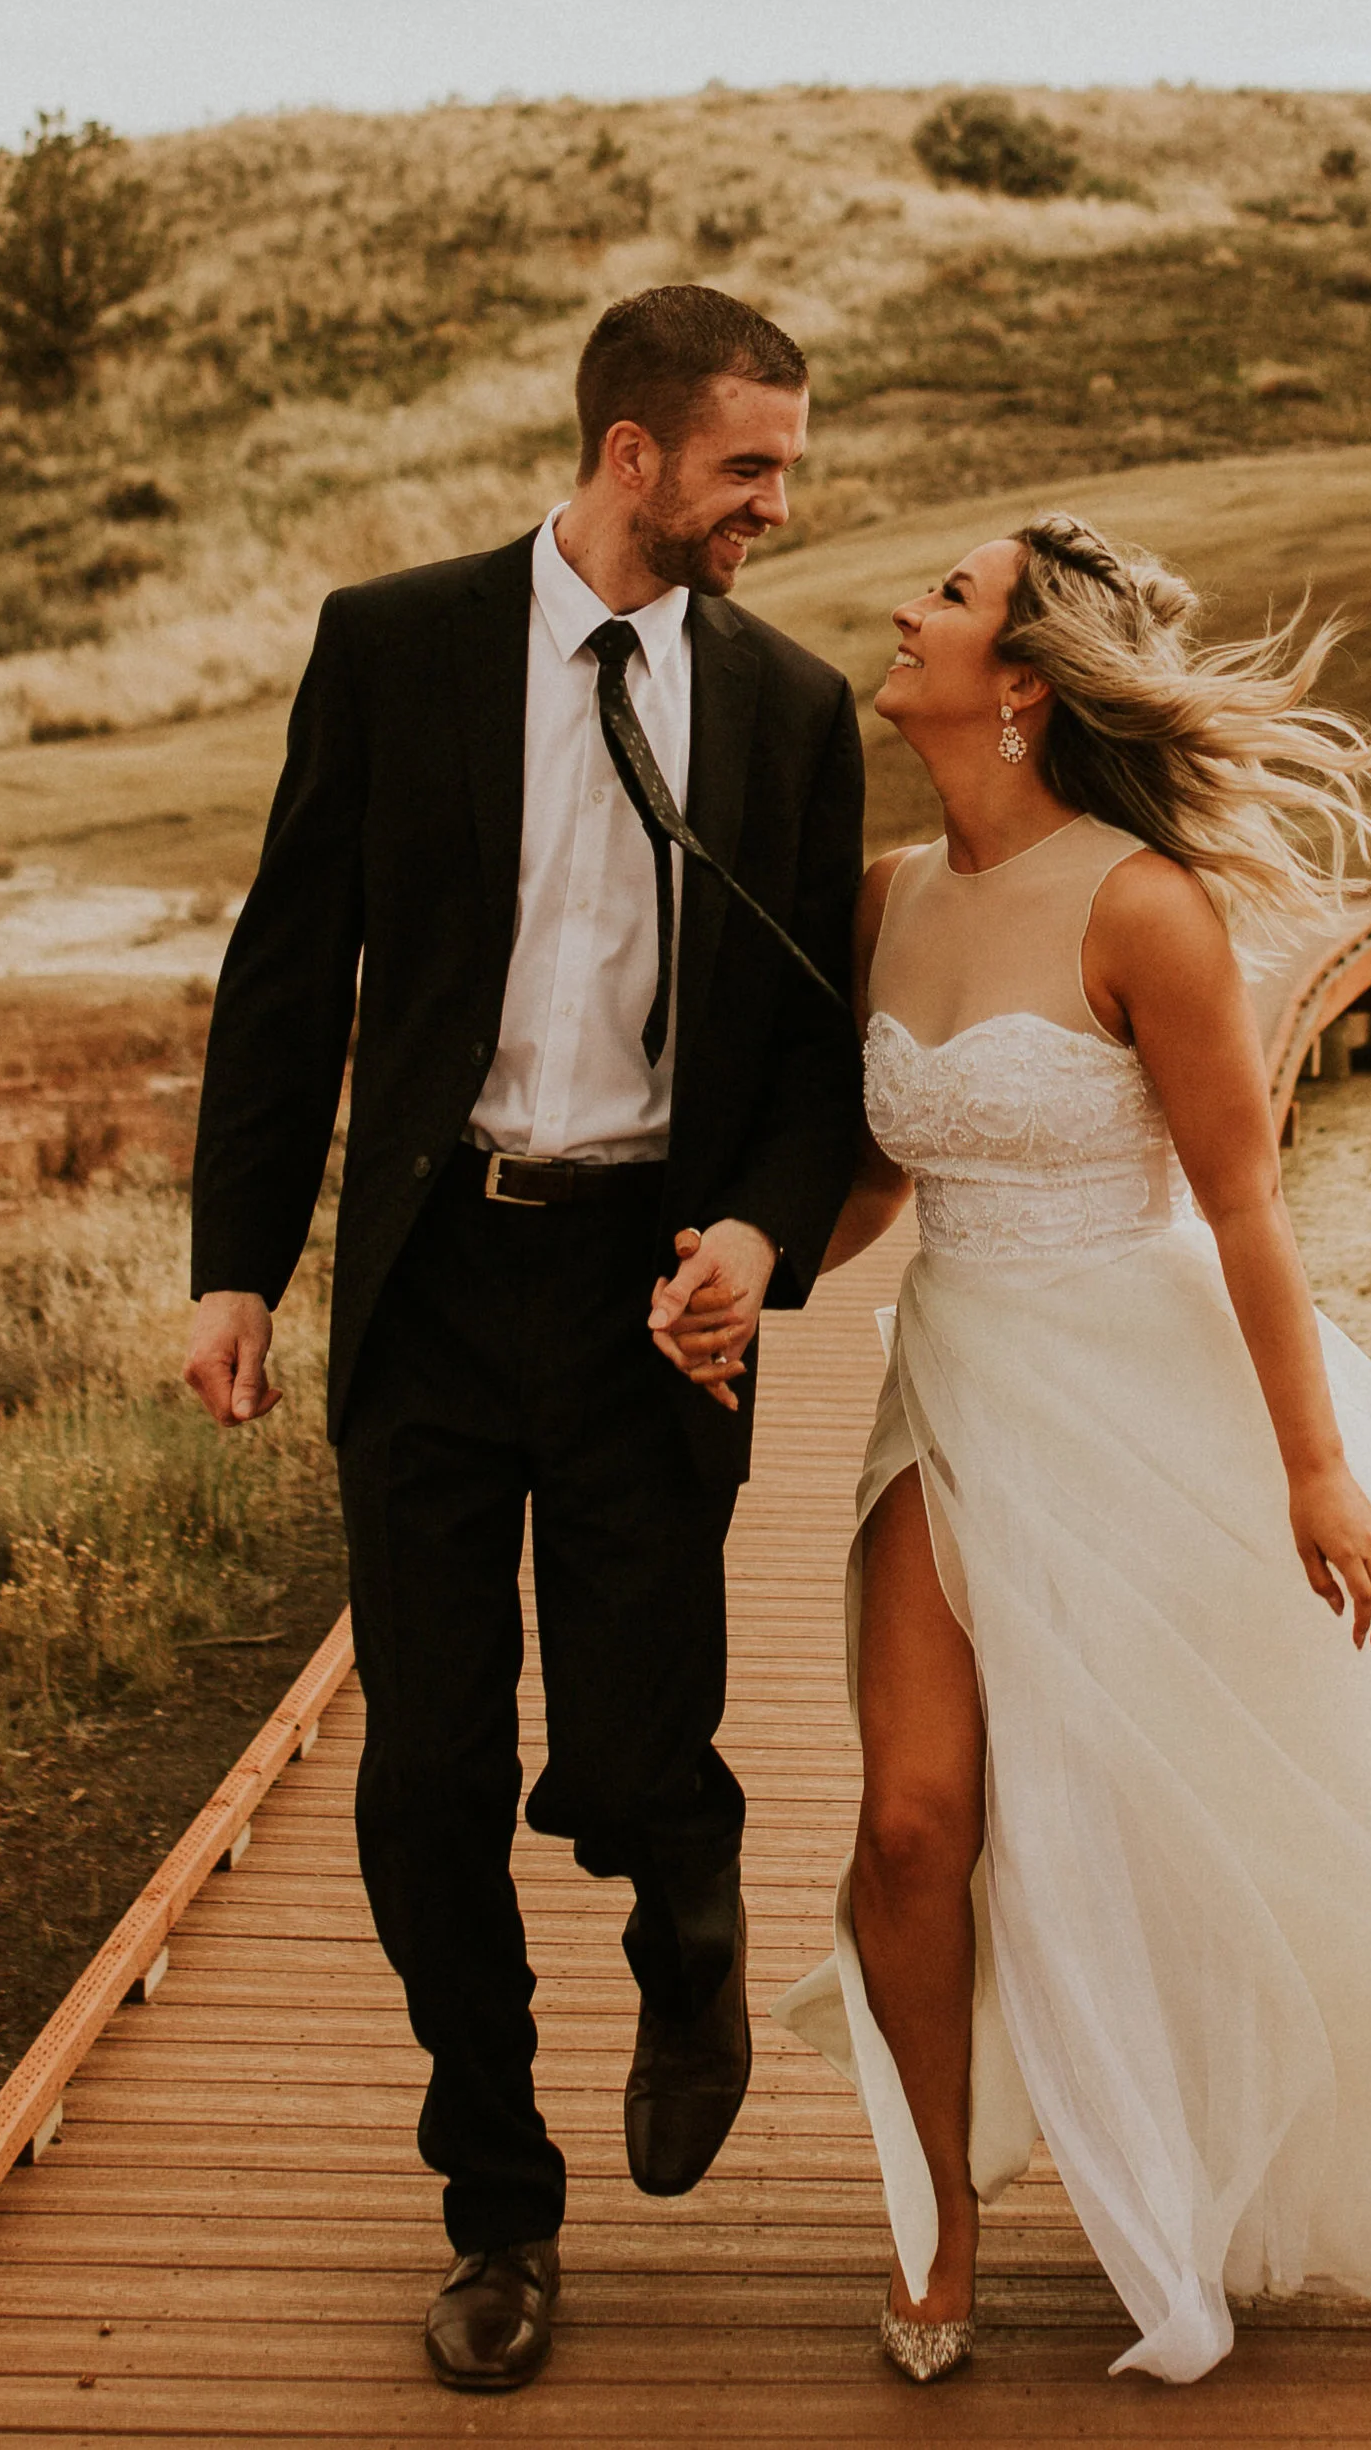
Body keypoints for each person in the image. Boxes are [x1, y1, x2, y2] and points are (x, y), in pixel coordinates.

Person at [776, 512, 1371, 2386]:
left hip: (1147, 1398)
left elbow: (1248, 1208)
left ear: (1021, 681)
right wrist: (754, 1260)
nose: (902, 608)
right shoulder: (884, 897)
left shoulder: (1144, 908)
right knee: (912, 1818)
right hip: (950, 1383)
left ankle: (1201, 2152)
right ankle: (941, 2216)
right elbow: (890, 1165)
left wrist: (1316, 1468)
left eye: (945, 598)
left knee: (1198, 1817)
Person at [184, 285, 865, 2397]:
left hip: (651, 1300)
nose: (778, 505)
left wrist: (757, 1230)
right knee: (424, 1783)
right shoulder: (392, 644)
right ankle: (498, 2203)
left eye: (789, 467)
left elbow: (814, 1048)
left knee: (640, 1742)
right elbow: (293, 967)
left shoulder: (792, 706)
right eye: (748, 467)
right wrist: (236, 1261)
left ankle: (688, 1910)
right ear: (630, 452)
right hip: (433, 1292)